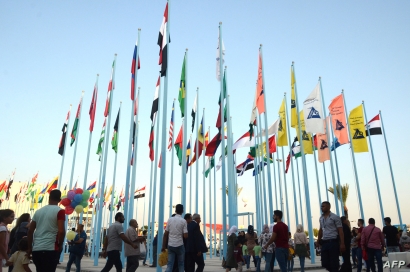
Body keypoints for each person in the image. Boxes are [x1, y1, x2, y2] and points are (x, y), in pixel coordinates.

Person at [27, 190, 65, 272]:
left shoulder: (38, 212)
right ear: (59, 200)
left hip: (37, 249)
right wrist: (60, 245)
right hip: (51, 248)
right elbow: (61, 231)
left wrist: (30, 247)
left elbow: (30, 231)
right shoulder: (60, 211)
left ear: (49, 198)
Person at [317, 201, 345, 272]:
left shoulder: (335, 217)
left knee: (334, 263)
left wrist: (342, 243)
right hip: (325, 242)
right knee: (325, 262)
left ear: (328, 207)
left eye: (323, 206)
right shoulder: (321, 218)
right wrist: (318, 240)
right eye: (321, 206)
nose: (322, 208)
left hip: (333, 242)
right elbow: (321, 230)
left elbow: (340, 230)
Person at [161, 204, 188, 272]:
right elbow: (185, 236)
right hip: (179, 245)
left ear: (175, 210)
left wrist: (163, 246)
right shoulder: (183, 221)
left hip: (170, 245)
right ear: (182, 211)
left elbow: (166, 234)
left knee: (170, 264)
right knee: (181, 264)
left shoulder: (170, 220)